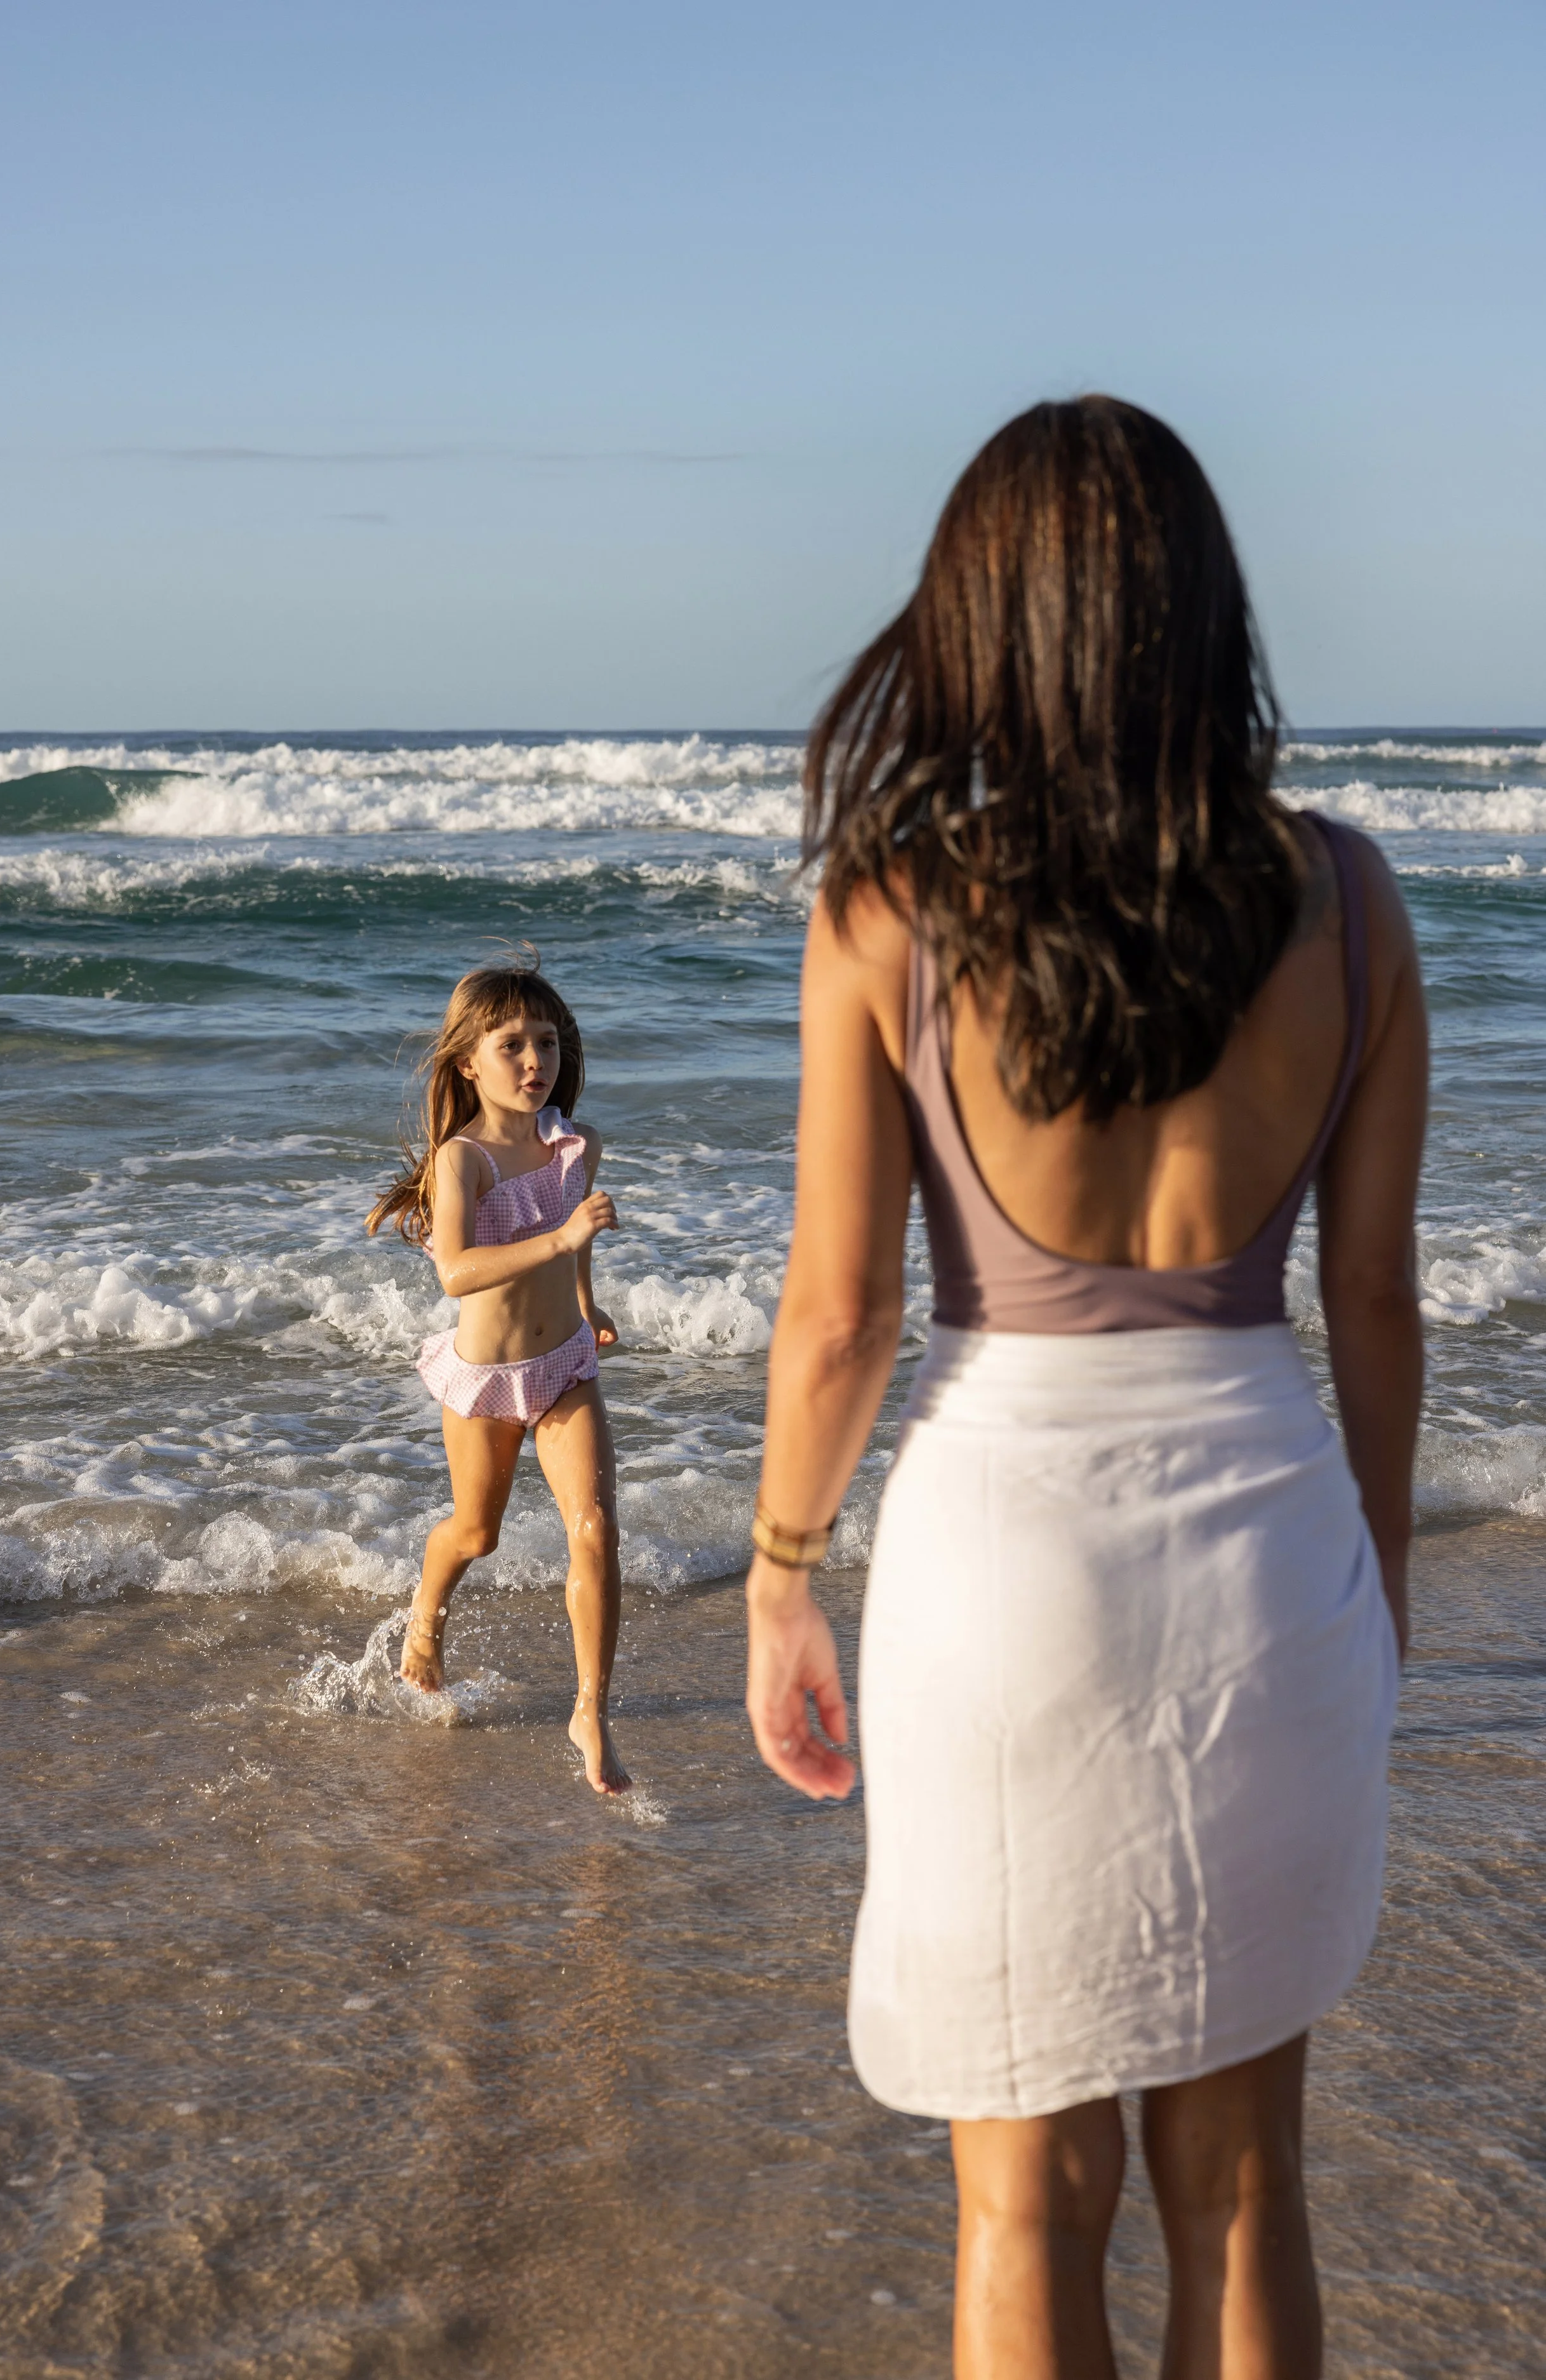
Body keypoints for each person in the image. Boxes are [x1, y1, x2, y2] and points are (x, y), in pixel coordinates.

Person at [744, 398, 1424, 2377]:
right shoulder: (1352, 903)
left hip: (998, 1569)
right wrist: (1370, 1580)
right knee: (1241, 2180)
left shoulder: (886, 906)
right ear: (1204, 617)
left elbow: (838, 1313)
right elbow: (1371, 1302)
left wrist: (784, 1567)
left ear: (979, 624)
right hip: (1268, 1554)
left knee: (1020, 2196)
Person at [368, 953, 631, 1795]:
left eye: (547, 1043)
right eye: (512, 1045)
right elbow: (457, 1272)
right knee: (475, 1533)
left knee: (594, 1529)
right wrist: (557, 1243)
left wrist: (585, 1302)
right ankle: (425, 1620)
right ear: (467, 1062)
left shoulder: (576, 1144)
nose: (533, 1063)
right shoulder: (464, 1160)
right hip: (487, 1378)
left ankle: (591, 1707)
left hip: (565, 1368)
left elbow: (575, 1234)